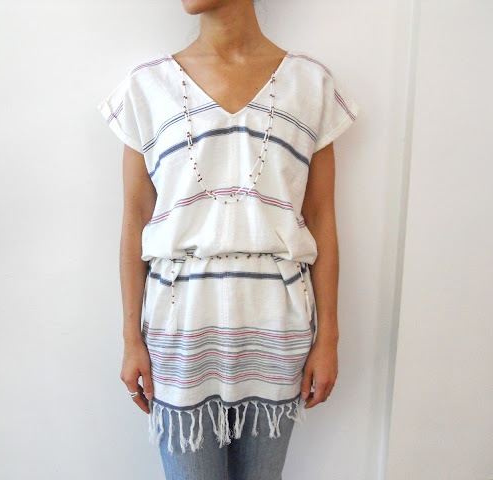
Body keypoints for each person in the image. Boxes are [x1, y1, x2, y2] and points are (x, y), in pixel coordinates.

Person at [97, 1, 360, 478]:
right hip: (180, 332)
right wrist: (130, 338)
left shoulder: (310, 84)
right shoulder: (146, 87)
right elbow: (135, 221)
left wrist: (329, 338)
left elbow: (322, 218)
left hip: (276, 330)